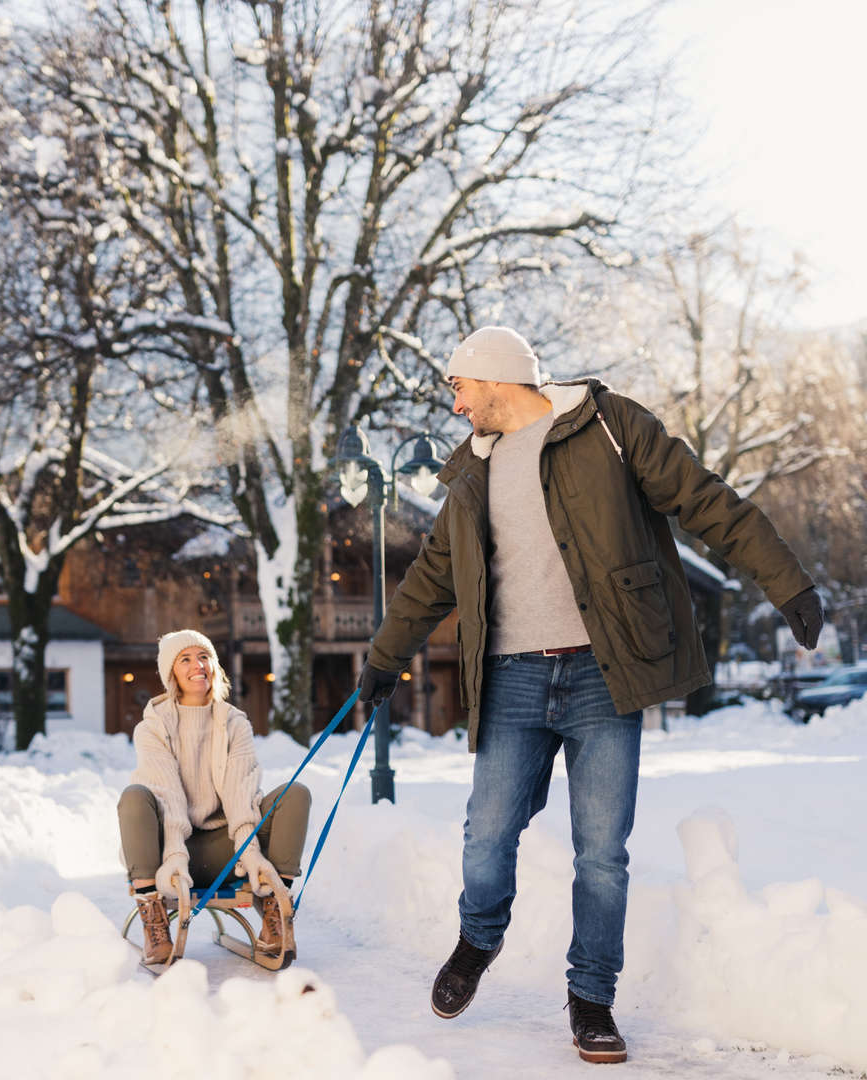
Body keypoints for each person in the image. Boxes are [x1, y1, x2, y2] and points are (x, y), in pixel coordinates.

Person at [356, 327, 822, 1063]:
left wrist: (787, 579)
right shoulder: (471, 475)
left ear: (495, 377)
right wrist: (384, 660)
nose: (454, 404)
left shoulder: (609, 427)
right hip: (511, 676)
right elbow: (429, 581)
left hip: (606, 671)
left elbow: (707, 502)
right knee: (486, 832)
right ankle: (478, 938)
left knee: (602, 852)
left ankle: (591, 998)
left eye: (458, 387)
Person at [118, 629, 312, 965]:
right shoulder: (152, 728)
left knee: (295, 795)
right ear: (171, 672)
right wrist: (175, 856)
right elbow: (168, 795)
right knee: (134, 797)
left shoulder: (234, 723)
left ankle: (274, 911)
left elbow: (240, 793)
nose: (199, 665)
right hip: (172, 854)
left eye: (204, 656)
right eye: (186, 659)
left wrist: (250, 851)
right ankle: (154, 920)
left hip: (228, 852)